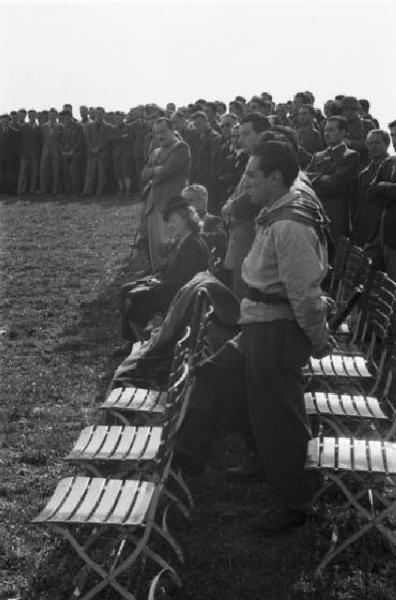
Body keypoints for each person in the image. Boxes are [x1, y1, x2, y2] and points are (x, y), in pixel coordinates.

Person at [176, 141, 331, 533]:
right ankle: (201, 455)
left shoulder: (291, 224)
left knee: (280, 417)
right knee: (218, 375)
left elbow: (304, 293)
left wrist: (318, 336)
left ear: (276, 178)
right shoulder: (277, 211)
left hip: (274, 330)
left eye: (252, 176)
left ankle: (297, 501)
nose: (245, 184)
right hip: (259, 322)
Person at [121, 195, 209, 342]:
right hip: (173, 289)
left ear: (186, 218)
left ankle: (143, 342)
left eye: (174, 221)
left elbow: (182, 283)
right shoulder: (186, 240)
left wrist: (155, 286)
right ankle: (135, 341)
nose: (170, 226)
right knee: (126, 291)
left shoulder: (192, 245)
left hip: (180, 298)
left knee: (131, 303)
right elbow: (173, 270)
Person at [222, 113, 270, 297]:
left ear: (263, 133)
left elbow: (254, 194)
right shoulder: (252, 158)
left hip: (251, 231)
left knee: (244, 289)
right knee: (237, 285)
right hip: (238, 230)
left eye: (246, 134)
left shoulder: (266, 160)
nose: (240, 139)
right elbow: (238, 190)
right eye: (239, 134)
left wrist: (231, 207)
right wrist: (229, 204)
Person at [141, 117, 191, 271]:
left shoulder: (180, 147)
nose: (159, 136)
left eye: (163, 131)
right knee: (156, 243)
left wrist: (153, 173)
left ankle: (170, 276)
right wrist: (156, 170)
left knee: (169, 242)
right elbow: (143, 174)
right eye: (156, 133)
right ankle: (158, 275)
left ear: (172, 130)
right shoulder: (156, 151)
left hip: (171, 202)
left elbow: (168, 171)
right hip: (153, 202)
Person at [306, 116, 359, 252]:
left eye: (331, 130)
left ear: (343, 132)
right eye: (325, 130)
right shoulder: (318, 156)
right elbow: (303, 180)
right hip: (314, 216)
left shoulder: (350, 156)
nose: (327, 133)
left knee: (334, 259)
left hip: (336, 218)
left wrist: (314, 181)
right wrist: (323, 178)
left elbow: (336, 184)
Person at [352, 129, 390, 247]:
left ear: (386, 144)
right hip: (363, 230)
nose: (374, 146)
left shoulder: (392, 169)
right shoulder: (363, 174)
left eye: (377, 143)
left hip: (385, 232)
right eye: (370, 143)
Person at [190, 111, 221, 207]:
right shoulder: (198, 136)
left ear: (206, 122)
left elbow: (214, 161)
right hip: (198, 176)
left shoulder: (214, 137)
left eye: (199, 124)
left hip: (208, 179)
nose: (197, 127)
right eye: (195, 125)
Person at [82, 106, 114, 196]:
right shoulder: (89, 126)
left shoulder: (108, 126)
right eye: (97, 114)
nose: (98, 115)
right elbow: (87, 139)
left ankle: (99, 192)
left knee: (101, 173)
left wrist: (99, 148)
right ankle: (87, 191)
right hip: (91, 152)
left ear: (104, 114)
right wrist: (92, 148)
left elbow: (107, 140)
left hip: (102, 152)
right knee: (90, 173)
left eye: (100, 114)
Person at [341, 96, 375, 167]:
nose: (343, 112)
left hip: (363, 164)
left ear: (354, 110)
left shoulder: (367, 124)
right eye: (343, 110)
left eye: (346, 109)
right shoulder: (340, 125)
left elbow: (373, 145)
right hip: (345, 166)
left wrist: (350, 143)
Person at [60, 110, 85, 195]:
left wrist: (73, 150)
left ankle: (76, 191)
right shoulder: (64, 127)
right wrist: (63, 151)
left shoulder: (78, 126)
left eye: (66, 117)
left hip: (76, 153)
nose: (64, 119)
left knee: (74, 171)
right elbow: (62, 141)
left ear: (70, 116)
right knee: (66, 172)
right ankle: (68, 191)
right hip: (66, 153)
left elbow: (80, 141)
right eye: (63, 117)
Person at [39, 108, 63, 194]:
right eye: (50, 115)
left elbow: (61, 139)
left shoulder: (60, 126)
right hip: (45, 151)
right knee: (43, 170)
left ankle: (55, 189)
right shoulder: (43, 126)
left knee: (55, 171)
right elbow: (41, 139)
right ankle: (43, 189)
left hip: (56, 151)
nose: (52, 117)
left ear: (57, 116)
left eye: (53, 115)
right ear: (48, 116)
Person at [17, 109, 41, 194]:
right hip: (24, 153)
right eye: (30, 116)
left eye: (33, 116)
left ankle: (32, 190)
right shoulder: (23, 128)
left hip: (35, 154)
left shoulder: (39, 128)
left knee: (33, 173)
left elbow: (40, 141)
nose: (32, 118)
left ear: (36, 116)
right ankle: (20, 190)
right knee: (23, 172)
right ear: (28, 117)